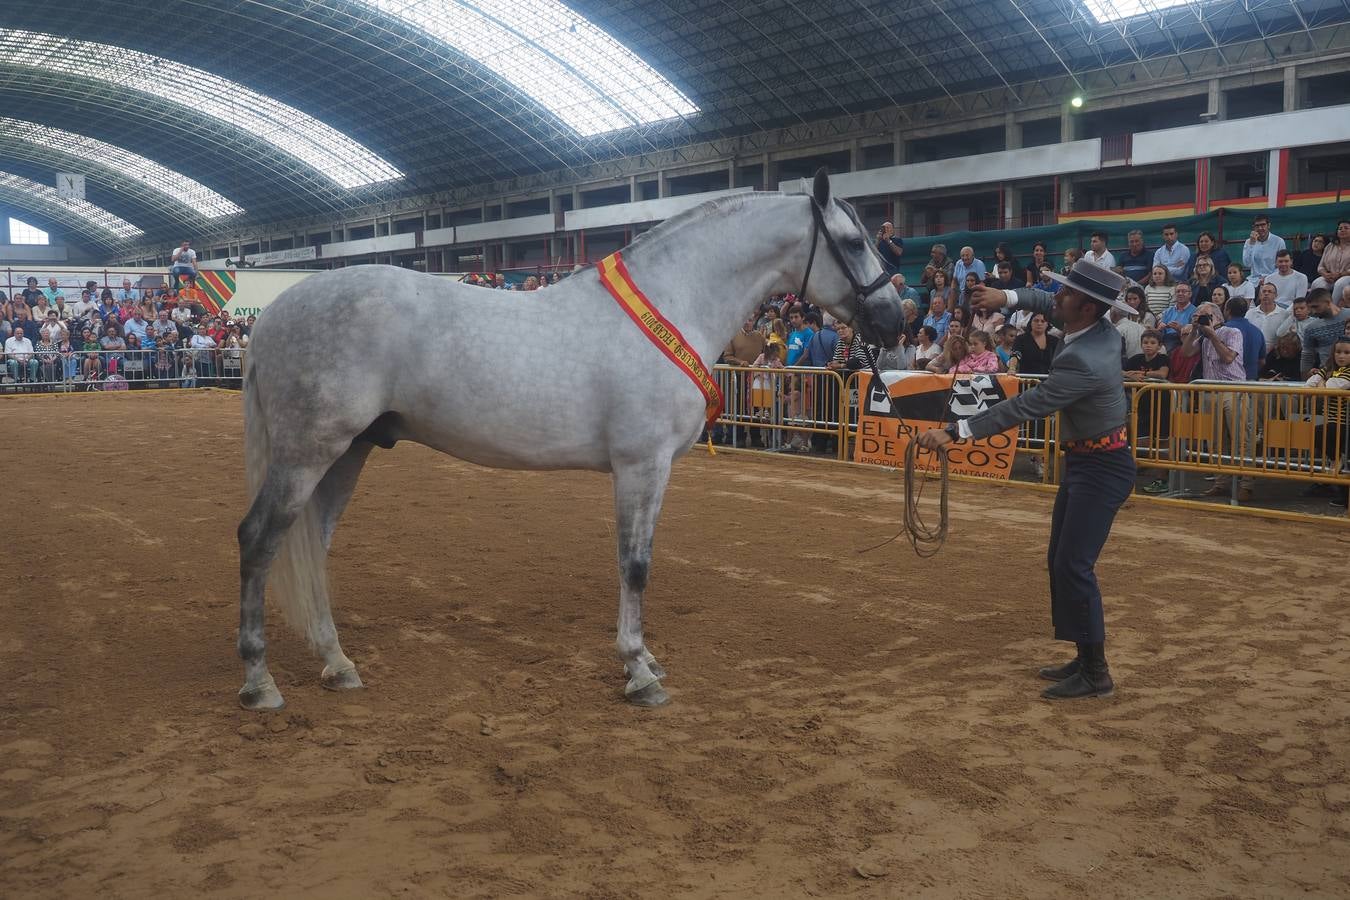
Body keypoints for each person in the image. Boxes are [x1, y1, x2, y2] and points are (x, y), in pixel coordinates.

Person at [919, 260, 1138, 700]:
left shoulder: (1083, 360)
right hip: (1089, 463)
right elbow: (1045, 300)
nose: (1059, 297)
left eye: (1069, 293)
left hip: (1101, 468)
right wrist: (1007, 297)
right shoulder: (1097, 331)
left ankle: (1096, 670)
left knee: (1074, 565)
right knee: (1062, 560)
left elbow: (1023, 407)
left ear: (1089, 307)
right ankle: (1084, 655)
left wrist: (955, 431)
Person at [1181, 300, 1252, 500]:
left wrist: (1211, 335)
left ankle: (1246, 484)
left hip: (1234, 389)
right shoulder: (1203, 338)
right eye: (1197, 316)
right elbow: (1186, 352)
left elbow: (1228, 358)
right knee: (1215, 440)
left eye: (1206, 317)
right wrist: (1195, 330)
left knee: (1241, 439)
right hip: (1211, 391)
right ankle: (1221, 483)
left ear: (1218, 318)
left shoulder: (1232, 332)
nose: (1202, 320)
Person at [1300, 286, 1350, 374]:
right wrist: (1305, 378)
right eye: (1311, 308)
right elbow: (1307, 356)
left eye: (1316, 307)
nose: (1313, 311)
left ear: (1328, 303)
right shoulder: (1311, 328)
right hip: (1327, 374)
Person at [1007, 311, 1058, 375]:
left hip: (1049, 380)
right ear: (1030, 322)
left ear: (1047, 324)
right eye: (1036, 321)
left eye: (1043, 321)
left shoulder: (1054, 340)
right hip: (1026, 380)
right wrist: (1012, 368)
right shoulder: (1021, 339)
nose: (1039, 323)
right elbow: (1015, 355)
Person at [1312, 219, 1350, 301]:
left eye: (1346, 228)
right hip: (1330, 277)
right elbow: (1320, 266)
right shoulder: (1330, 246)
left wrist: (1340, 275)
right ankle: (1316, 309)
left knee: (1340, 284)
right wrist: (1326, 274)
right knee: (1317, 283)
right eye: (1340, 228)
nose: (1342, 230)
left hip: (1347, 277)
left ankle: (1332, 309)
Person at [1246, 282, 1291, 349]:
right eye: (1264, 291)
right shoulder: (1250, 313)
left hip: (1275, 353)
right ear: (1260, 295)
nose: (1266, 294)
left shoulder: (1284, 314)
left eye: (1269, 292)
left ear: (1275, 296)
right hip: (1253, 350)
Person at [1242, 214, 1285, 285]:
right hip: (1254, 281)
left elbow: (1281, 265)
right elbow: (1247, 264)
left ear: (1268, 225)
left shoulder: (1279, 241)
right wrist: (1251, 244)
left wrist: (1268, 278)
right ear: (1253, 227)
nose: (1260, 228)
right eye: (1257, 226)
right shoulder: (1248, 242)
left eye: (1263, 225)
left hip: (1273, 280)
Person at [1158, 282, 1195, 353]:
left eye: (1183, 291)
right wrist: (1160, 328)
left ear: (1190, 294)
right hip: (1165, 339)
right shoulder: (1168, 311)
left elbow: (1194, 334)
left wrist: (1180, 329)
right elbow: (1161, 333)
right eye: (1178, 291)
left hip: (1182, 340)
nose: (1180, 293)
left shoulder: (1195, 311)